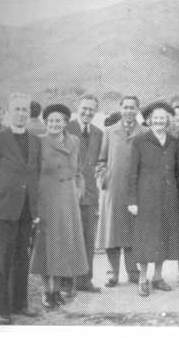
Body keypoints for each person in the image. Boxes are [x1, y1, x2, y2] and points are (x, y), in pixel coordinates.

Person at [0, 93, 41, 324]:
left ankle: (20, 303)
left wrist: (34, 206)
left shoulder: (36, 140)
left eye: (25, 109)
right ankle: (2, 308)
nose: (22, 113)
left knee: (21, 258)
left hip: (27, 209)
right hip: (4, 208)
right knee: (3, 260)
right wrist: (1, 194)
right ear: (8, 112)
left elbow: (35, 173)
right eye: (17, 109)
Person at [31, 103, 88, 308]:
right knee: (46, 247)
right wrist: (35, 204)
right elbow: (33, 174)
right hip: (47, 198)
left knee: (64, 245)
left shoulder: (74, 141)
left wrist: (79, 189)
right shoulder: (39, 142)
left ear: (65, 123)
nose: (54, 124)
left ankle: (57, 290)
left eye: (59, 121)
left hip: (68, 200)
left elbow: (79, 170)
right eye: (51, 121)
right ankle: (47, 292)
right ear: (46, 122)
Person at [128, 102, 179, 297]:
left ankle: (158, 277)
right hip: (146, 196)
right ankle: (143, 278)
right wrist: (132, 200)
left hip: (168, 196)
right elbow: (132, 172)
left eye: (163, 118)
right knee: (145, 238)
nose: (159, 121)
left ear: (167, 121)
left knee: (163, 237)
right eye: (156, 118)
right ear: (149, 120)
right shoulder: (140, 141)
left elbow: (178, 170)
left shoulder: (174, 141)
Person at [96, 95, 146, 287]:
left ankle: (133, 272)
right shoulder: (109, 131)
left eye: (132, 107)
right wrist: (103, 177)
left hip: (135, 190)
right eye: (125, 107)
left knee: (133, 231)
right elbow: (101, 160)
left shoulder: (144, 132)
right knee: (112, 232)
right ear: (120, 108)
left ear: (138, 109)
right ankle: (112, 273)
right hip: (113, 190)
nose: (128, 111)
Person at [65, 93, 103, 292]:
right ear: (77, 108)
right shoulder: (67, 128)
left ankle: (84, 280)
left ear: (96, 111)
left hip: (89, 193)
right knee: (69, 237)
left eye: (91, 109)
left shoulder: (98, 132)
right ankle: (67, 282)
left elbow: (98, 161)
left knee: (88, 238)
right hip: (69, 193)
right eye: (84, 108)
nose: (87, 112)